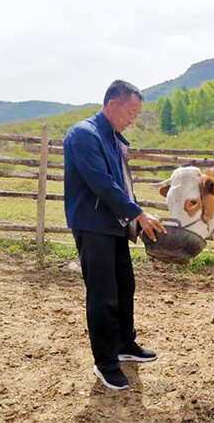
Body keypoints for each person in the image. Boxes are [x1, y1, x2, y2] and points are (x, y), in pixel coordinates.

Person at [64, 80, 166, 390]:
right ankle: (105, 362)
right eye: (131, 111)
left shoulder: (111, 136)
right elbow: (102, 183)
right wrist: (138, 213)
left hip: (114, 224)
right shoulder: (84, 134)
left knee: (124, 286)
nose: (133, 118)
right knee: (102, 293)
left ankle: (124, 345)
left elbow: (120, 184)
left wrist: (132, 214)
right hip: (93, 225)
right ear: (112, 105)